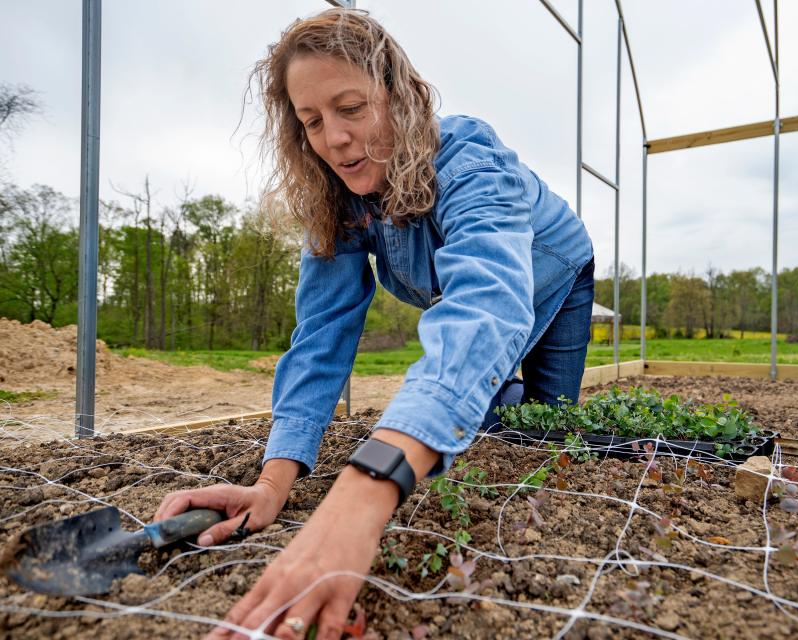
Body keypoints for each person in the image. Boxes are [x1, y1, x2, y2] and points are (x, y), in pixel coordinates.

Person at [153, 8, 593, 640]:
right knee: (481, 421)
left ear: (398, 97)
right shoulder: (336, 201)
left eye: (350, 108)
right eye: (311, 121)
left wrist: (364, 492)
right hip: (473, 303)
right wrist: (274, 481)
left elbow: (488, 301)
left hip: (558, 270)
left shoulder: (468, 156)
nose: (332, 138)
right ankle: (500, 398)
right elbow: (321, 336)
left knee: (548, 434)